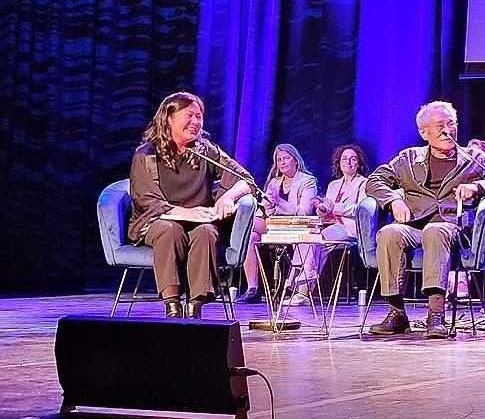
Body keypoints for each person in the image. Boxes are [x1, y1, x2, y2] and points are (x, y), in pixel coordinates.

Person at [366, 101, 485, 339]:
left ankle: (436, 315)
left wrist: (477, 186)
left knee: (435, 231)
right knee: (389, 233)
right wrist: (394, 201)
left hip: (450, 226)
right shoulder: (408, 158)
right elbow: (375, 181)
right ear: (424, 132)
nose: (448, 130)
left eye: (451, 124)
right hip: (414, 225)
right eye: (440, 125)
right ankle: (396, 313)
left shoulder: (472, 158)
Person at [128, 92, 256, 318]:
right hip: (159, 221)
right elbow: (146, 200)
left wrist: (228, 197)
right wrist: (185, 213)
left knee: (206, 232)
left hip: (200, 222)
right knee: (170, 231)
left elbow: (246, 180)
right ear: (169, 118)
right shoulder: (146, 154)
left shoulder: (205, 150)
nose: (196, 122)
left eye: (200, 116)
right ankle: (172, 306)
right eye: (189, 115)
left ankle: (195, 306)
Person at [284, 144, 369, 306]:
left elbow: (362, 210)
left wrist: (333, 206)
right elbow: (325, 214)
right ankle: (301, 286)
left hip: (350, 228)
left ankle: (301, 290)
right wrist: (321, 207)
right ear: (339, 162)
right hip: (332, 226)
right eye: (344, 159)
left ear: (359, 163)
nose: (348, 162)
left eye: (353, 159)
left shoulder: (364, 184)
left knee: (317, 240)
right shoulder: (333, 185)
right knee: (307, 239)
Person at [235, 144, 318, 304]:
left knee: (247, 224)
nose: (283, 162)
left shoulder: (308, 181)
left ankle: (232, 243)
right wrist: (268, 203)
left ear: (295, 160)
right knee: (250, 237)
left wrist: (279, 201)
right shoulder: (274, 182)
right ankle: (252, 289)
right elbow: (268, 213)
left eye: (286, 158)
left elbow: (304, 212)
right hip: (275, 225)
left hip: (298, 225)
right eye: (279, 160)